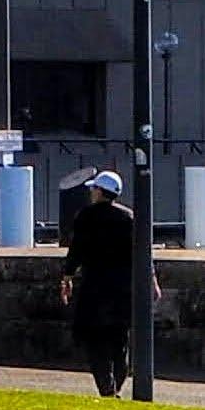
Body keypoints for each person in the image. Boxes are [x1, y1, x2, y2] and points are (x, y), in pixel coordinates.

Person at [61, 168, 144, 397]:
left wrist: (67, 277)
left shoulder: (86, 216)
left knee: (95, 339)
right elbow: (140, 253)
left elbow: (76, 250)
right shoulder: (129, 217)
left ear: (99, 191)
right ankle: (116, 384)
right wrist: (151, 279)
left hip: (94, 285)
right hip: (122, 286)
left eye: (94, 189)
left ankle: (106, 387)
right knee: (120, 340)